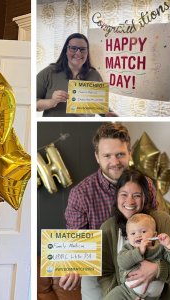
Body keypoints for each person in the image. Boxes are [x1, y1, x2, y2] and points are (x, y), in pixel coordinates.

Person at [61, 122, 157, 298]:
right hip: (99, 273)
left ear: (129, 153)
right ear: (97, 157)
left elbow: (157, 225)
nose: (114, 162)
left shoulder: (147, 185)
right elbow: (76, 240)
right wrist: (72, 266)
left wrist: (157, 266)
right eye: (107, 156)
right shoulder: (81, 194)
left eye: (120, 154)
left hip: (142, 263)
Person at [100, 169, 170, 300]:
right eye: (124, 194)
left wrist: (157, 269)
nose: (130, 202)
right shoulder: (107, 228)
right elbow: (105, 273)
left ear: (145, 197)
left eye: (136, 195)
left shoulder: (161, 220)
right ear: (116, 197)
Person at [106, 213, 170, 300]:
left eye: (143, 231)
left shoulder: (160, 248)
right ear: (128, 238)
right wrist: (139, 251)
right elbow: (122, 263)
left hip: (153, 297)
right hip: (127, 292)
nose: (138, 235)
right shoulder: (129, 248)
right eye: (133, 233)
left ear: (154, 235)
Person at [36, 32, 102, 117]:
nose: (78, 53)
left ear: (87, 52)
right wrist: (52, 102)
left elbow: (99, 106)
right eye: (73, 48)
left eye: (83, 49)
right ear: (66, 51)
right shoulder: (48, 72)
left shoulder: (95, 75)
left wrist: (108, 114)